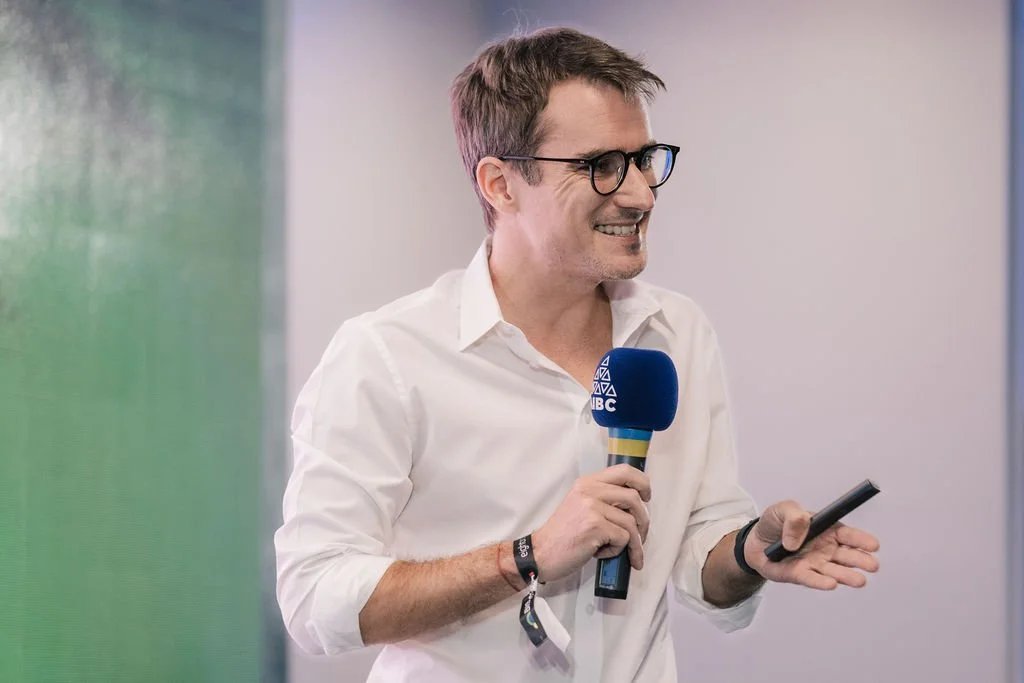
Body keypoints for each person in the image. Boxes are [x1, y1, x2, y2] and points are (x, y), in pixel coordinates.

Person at [274, 27, 880, 683]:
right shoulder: (386, 357)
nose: (642, 194)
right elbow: (314, 596)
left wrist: (748, 549)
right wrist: (526, 555)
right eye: (601, 166)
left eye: (646, 158)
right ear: (501, 185)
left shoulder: (677, 332)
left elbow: (702, 555)